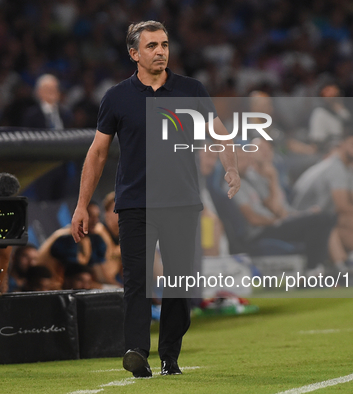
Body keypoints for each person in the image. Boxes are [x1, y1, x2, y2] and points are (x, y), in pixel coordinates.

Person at [71, 21, 240, 378]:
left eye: (164, 44)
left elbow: (220, 133)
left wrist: (232, 169)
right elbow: (98, 153)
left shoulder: (190, 89)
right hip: (135, 203)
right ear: (134, 53)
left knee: (180, 282)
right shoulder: (117, 97)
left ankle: (170, 356)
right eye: (151, 46)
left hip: (182, 202)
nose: (160, 51)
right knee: (137, 279)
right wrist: (82, 204)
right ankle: (136, 349)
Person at [40, 203, 108, 288]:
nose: (95, 221)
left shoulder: (88, 239)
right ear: (76, 216)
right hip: (51, 290)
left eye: (97, 216)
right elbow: (74, 278)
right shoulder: (64, 239)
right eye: (90, 216)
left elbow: (100, 275)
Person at [94, 192, 123, 285]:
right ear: (106, 213)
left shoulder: (123, 238)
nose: (120, 214)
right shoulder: (98, 234)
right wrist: (121, 288)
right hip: (94, 285)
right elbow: (100, 276)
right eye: (116, 210)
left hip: (111, 284)